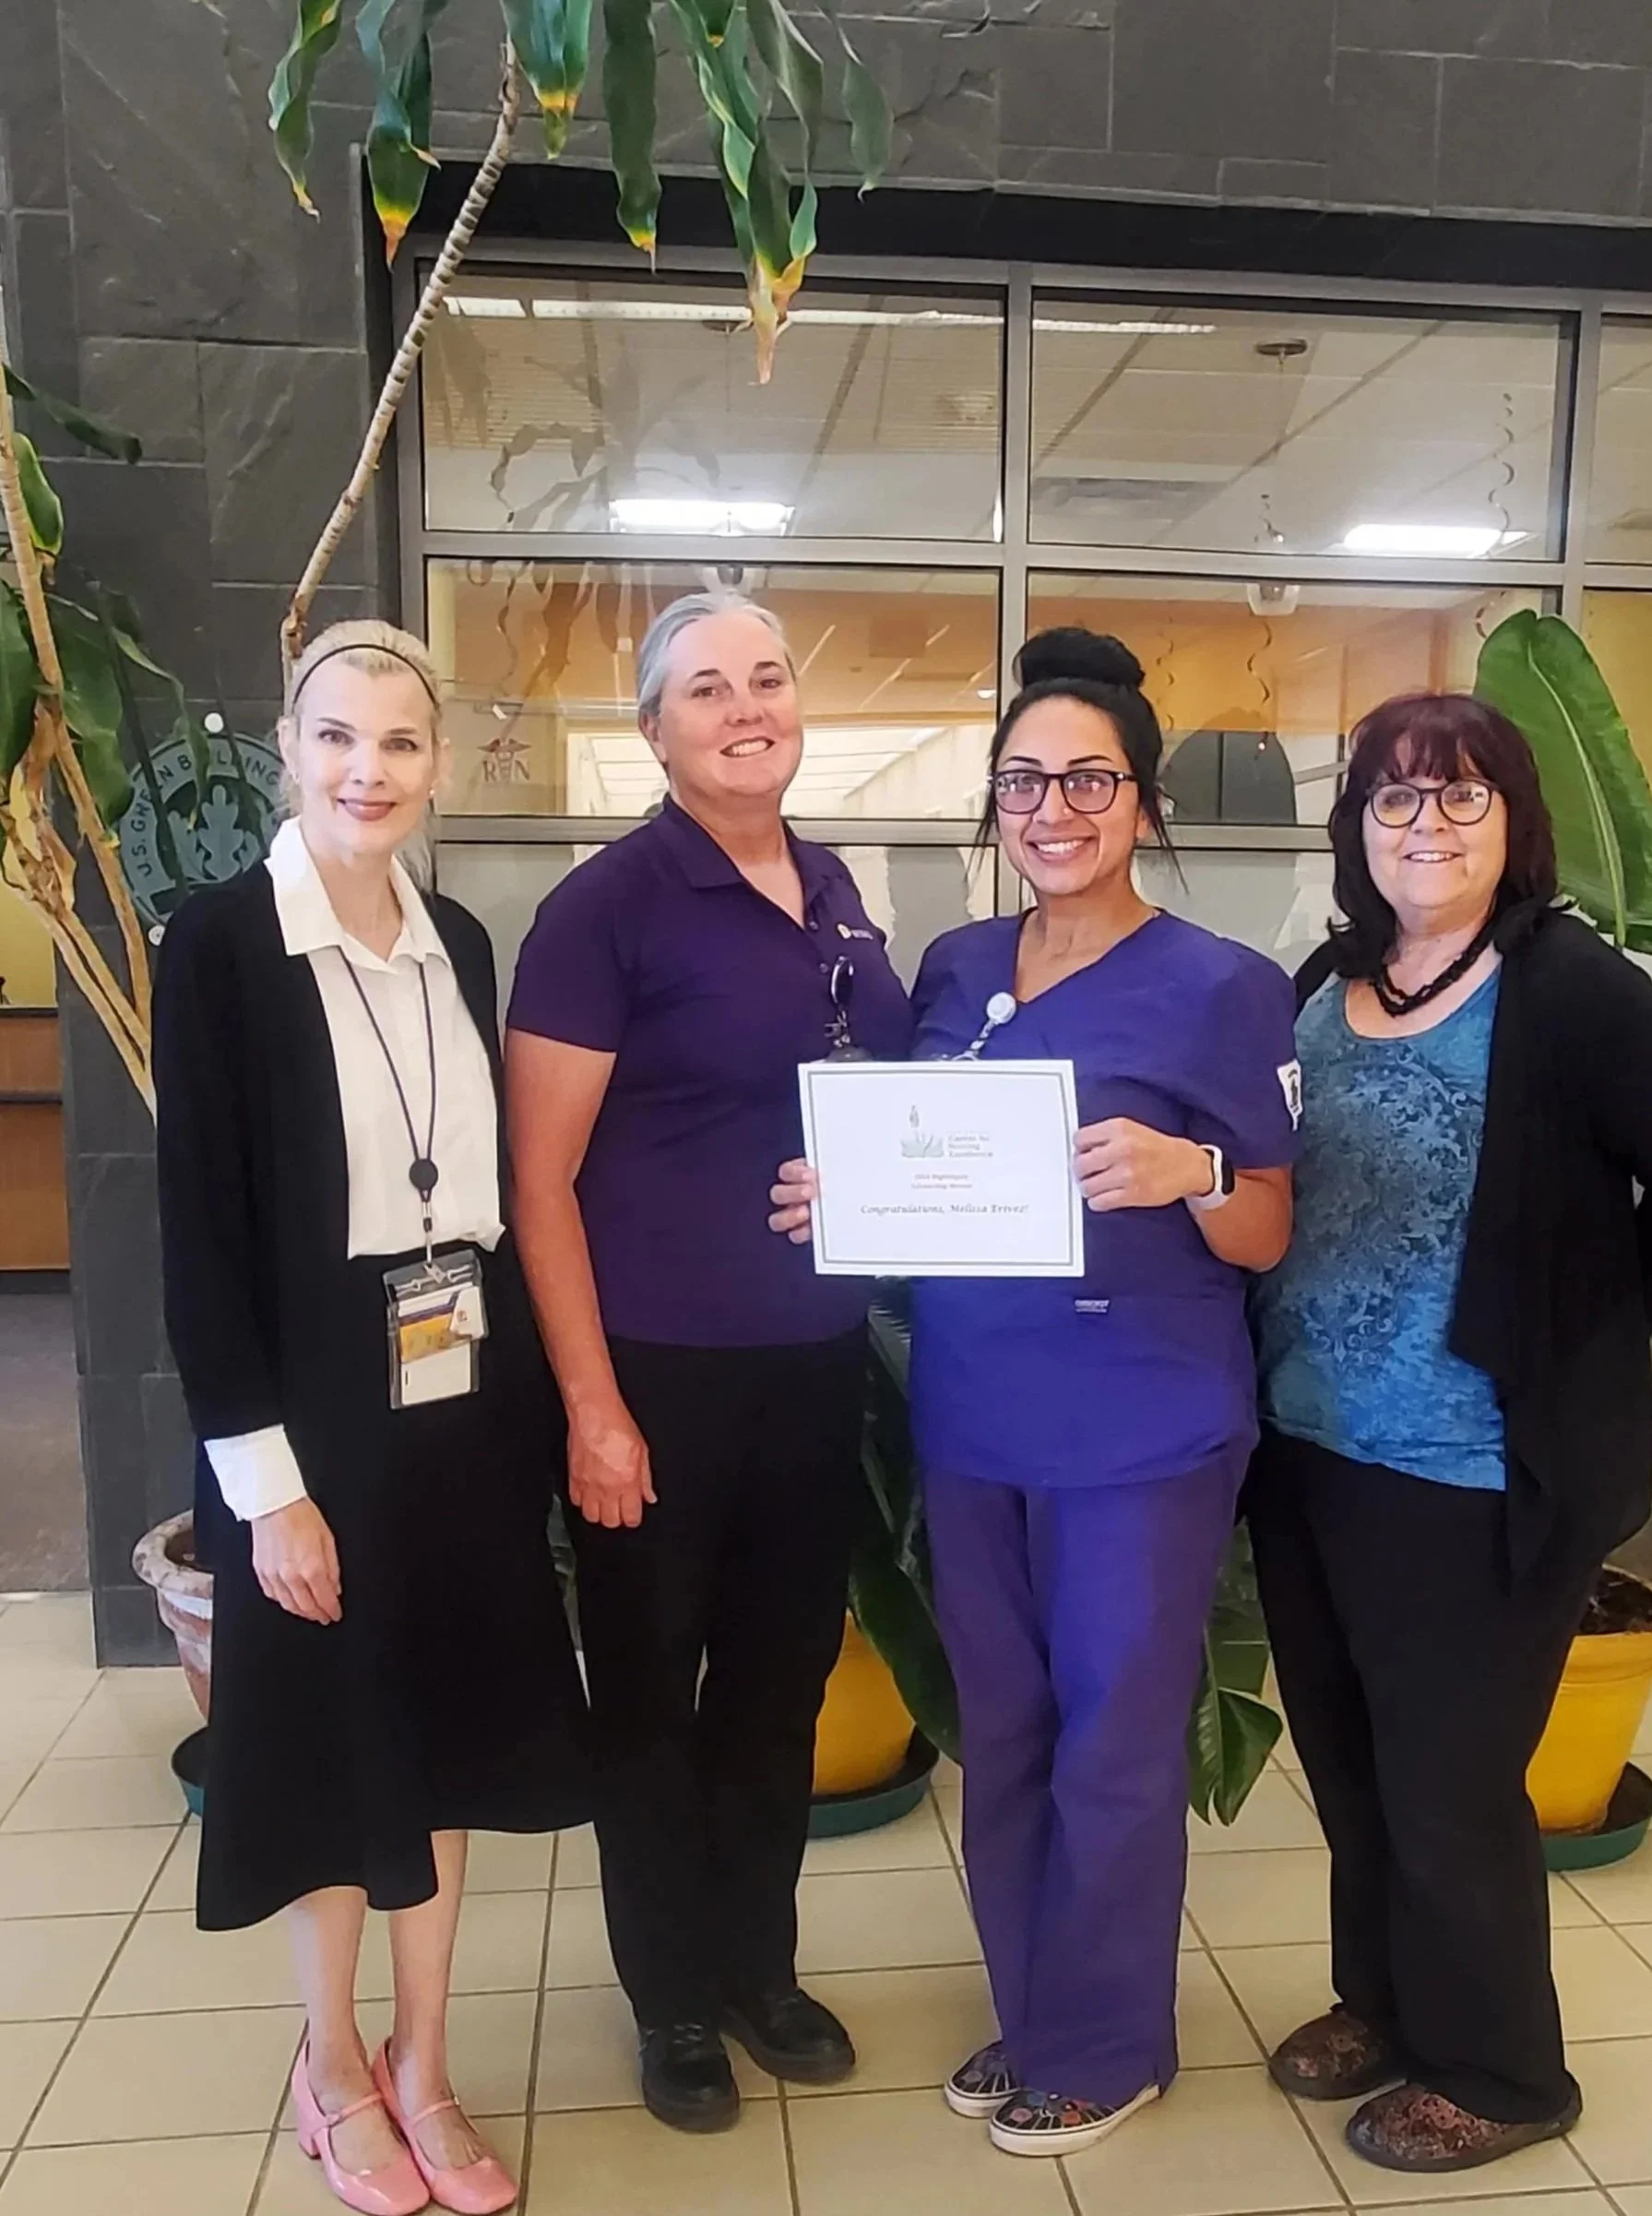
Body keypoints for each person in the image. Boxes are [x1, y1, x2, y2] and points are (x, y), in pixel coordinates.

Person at [771, 629, 1301, 2156]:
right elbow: (919, 1161)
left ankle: (1108, 2039)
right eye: (1023, 779)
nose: (1052, 806)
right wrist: (842, 1198)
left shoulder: (1221, 987)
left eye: (1088, 778)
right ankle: (1034, 2013)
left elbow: (1263, 1222)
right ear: (991, 801)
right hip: (977, 1412)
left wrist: (1190, 1168)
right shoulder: (954, 968)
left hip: (1139, 1426)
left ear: (1141, 801)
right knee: (1000, 1731)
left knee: (1114, 1740)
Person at [154, 620, 589, 2216]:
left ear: (437, 761)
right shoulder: (217, 944)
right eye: (337, 736)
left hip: (456, 1382)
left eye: (398, 743)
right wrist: (266, 1488)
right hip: (317, 1398)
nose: (367, 770)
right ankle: (329, 2060)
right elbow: (198, 1239)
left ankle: (422, 2055)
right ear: (289, 742)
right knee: (334, 1741)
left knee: (450, 1730)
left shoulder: (456, 938)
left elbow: (468, 1191)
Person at [504, 590, 914, 2133]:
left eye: (768, 677)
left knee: (777, 1682)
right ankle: (668, 1991)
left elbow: (878, 1091)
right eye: (706, 688)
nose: (747, 706)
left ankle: (757, 1962)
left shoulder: (832, 889)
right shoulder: (605, 908)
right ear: (653, 730)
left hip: (811, 1362)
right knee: (652, 1700)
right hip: (654, 1375)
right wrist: (592, 1408)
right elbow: (536, 1183)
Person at [1248, 690, 1652, 2174]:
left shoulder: (1569, 988)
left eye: (1459, 795)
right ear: (1358, 827)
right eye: (1393, 799)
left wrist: (1595, 1313)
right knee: (1350, 1761)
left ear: (1512, 818)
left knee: (1447, 1780)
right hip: (1308, 1446)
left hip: (1473, 1467)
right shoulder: (1328, 972)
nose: (1425, 825)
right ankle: (1387, 2001)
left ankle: (1499, 2069)